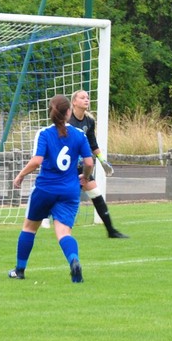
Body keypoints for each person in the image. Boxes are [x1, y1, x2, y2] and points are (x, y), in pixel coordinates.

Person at [8, 94, 93, 283]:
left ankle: (19, 270)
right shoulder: (79, 135)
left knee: (29, 228)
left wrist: (21, 175)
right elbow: (89, 162)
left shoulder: (44, 133)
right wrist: (85, 177)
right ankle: (74, 260)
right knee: (63, 233)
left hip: (45, 189)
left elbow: (37, 161)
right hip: (69, 190)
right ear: (69, 112)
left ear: (50, 113)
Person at [67, 89, 128, 239]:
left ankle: (111, 231)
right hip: (68, 168)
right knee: (67, 198)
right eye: (82, 98)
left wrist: (102, 161)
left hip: (82, 167)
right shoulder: (67, 120)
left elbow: (93, 144)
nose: (86, 100)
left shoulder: (89, 121)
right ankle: (49, 220)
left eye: (87, 98)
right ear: (74, 102)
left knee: (96, 195)